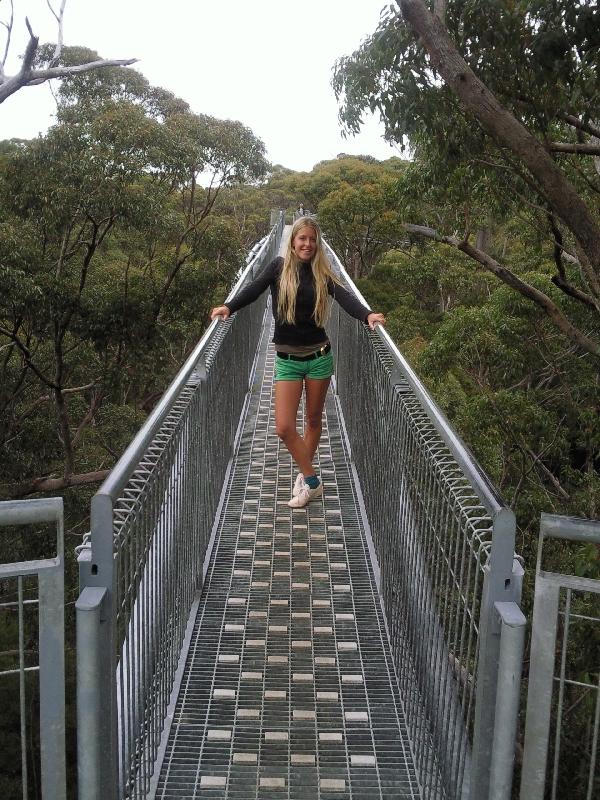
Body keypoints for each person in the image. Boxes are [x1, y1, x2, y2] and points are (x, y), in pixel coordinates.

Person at [210, 217, 386, 508]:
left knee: (314, 420)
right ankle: (312, 478)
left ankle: (304, 477)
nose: (307, 244)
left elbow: (345, 297)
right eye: (302, 239)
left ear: (317, 244)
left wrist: (367, 315)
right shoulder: (278, 267)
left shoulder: (322, 274)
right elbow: (254, 288)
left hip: (319, 358)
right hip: (287, 360)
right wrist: (229, 307)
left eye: (312, 240)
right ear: (292, 242)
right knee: (283, 426)